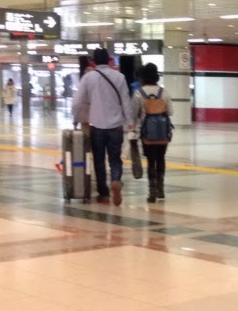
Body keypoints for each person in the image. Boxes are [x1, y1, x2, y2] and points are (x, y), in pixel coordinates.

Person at [72, 47, 133, 205]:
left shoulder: (88, 77)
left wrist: (76, 119)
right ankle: (115, 180)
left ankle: (104, 193)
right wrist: (130, 122)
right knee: (115, 159)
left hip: (97, 126)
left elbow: (77, 102)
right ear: (109, 60)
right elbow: (126, 101)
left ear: (93, 62)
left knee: (99, 160)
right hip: (116, 126)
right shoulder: (120, 77)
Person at [133, 62, 172, 203]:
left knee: (151, 161)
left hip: (147, 134)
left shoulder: (139, 93)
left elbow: (134, 114)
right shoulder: (164, 92)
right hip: (163, 133)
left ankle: (152, 191)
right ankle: (161, 189)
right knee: (161, 158)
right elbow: (170, 112)